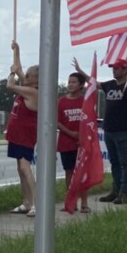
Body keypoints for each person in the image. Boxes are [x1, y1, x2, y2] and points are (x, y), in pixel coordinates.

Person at [74, 57, 127, 205]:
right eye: (113, 68)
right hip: (109, 129)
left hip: (123, 130)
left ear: (125, 70)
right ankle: (115, 190)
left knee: (124, 162)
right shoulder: (110, 85)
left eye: (117, 68)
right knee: (114, 161)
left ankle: (124, 193)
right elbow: (94, 83)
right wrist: (80, 71)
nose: (114, 70)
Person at [5, 40, 38, 217]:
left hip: (26, 134)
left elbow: (10, 85)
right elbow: (18, 68)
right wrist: (17, 50)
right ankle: (26, 202)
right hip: (16, 134)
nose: (25, 76)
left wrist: (11, 72)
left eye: (29, 75)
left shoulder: (33, 92)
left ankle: (36, 202)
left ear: (36, 79)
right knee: (20, 167)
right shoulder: (27, 86)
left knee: (25, 167)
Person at [57, 71, 89, 213]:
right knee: (69, 172)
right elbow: (57, 121)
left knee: (82, 173)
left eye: (73, 82)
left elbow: (90, 120)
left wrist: (81, 136)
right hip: (66, 141)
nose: (70, 85)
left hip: (81, 143)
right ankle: (70, 202)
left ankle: (84, 203)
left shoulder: (85, 102)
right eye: (69, 82)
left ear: (81, 85)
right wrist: (71, 133)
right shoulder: (62, 101)